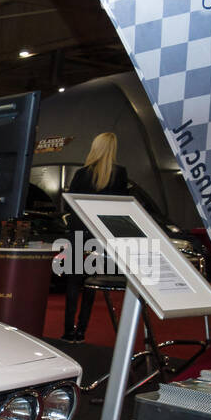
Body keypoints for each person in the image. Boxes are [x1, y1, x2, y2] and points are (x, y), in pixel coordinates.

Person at [62, 131, 130, 342]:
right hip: (100, 237)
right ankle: (82, 331)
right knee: (91, 284)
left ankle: (68, 331)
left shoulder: (82, 174)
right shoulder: (120, 174)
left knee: (73, 284)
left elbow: (68, 205)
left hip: (78, 235)